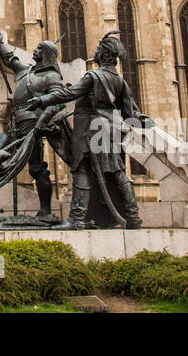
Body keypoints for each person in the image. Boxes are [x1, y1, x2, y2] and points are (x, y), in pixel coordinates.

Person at [0, 33, 69, 221]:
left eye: (39, 48)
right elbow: (10, 59)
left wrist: (42, 120)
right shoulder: (27, 72)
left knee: (37, 169)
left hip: (32, 127)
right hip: (15, 126)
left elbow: (58, 101)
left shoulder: (51, 76)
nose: (35, 50)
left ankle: (46, 212)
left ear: (47, 54)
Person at [54, 31, 154, 230]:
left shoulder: (94, 77)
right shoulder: (120, 81)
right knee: (118, 172)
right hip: (112, 130)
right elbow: (131, 111)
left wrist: (43, 99)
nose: (96, 52)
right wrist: (142, 119)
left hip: (90, 131)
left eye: (99, 50)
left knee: (81, 169)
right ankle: (133, 217)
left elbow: (70, 93)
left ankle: (77, 218)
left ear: (105, 55)